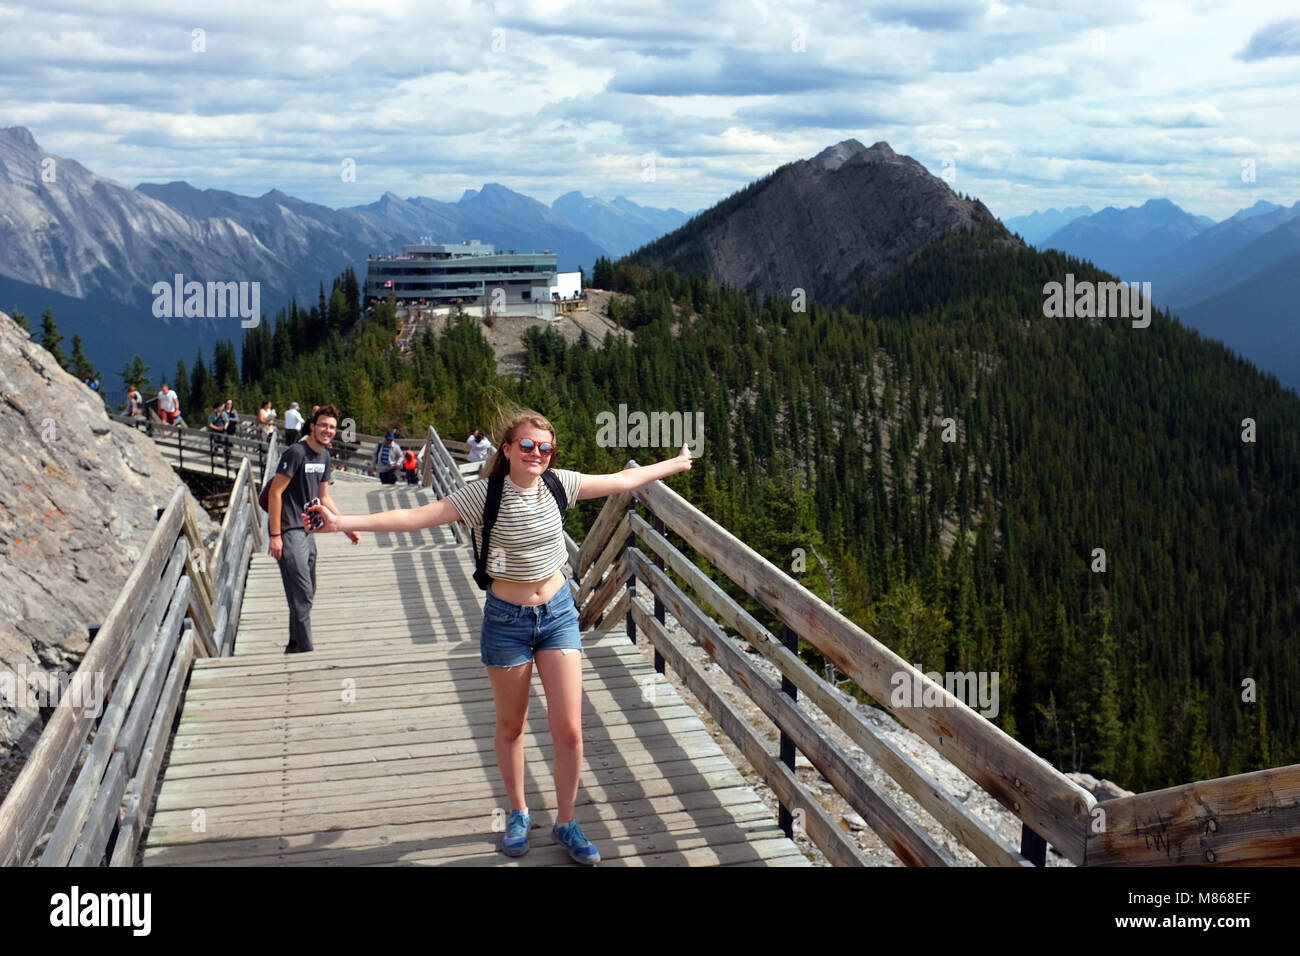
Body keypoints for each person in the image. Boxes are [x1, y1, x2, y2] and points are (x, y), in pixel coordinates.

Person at [305, 410, 693, 865]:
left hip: (558, 615)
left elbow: (621, 481)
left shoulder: (559, 484)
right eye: (527, 446)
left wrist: (675, 462)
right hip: (506, 621)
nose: (537, 455)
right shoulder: (482, 495)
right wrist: (341, 521)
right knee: (512, 726)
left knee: (569, 728)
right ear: (506, 449)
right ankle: (518, 811)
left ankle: (566, 821)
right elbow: (414, 517)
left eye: (545, 448)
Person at [266, 404, 359, 653]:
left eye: (332, 427)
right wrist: (275, 536)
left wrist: (346, 525)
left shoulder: (325, 456)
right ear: (313, 426)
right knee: (303, 593)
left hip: (308, 530)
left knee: (307, 591)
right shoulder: (297, 453)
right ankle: (306, 650)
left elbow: (324, 497)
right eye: (323, 426)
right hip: (289, 530)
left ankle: (295, 645)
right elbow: (275, 492)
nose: (328, 431)